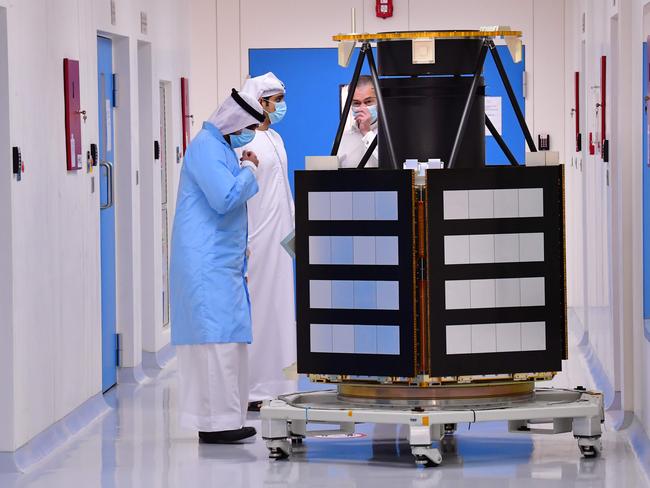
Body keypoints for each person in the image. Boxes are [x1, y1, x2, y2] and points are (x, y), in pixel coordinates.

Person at [169, 88, 266, 444]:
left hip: (218, 261)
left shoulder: (220, 147)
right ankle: (215, 424)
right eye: (249, 127)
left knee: (228, 340)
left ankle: (224, 419)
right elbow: (224, 198)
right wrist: (250, 169)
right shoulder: (207, 148)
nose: (249, 135)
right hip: (205, 262)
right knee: (215, 343)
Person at [238, 72, 297, 411]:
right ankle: (255, 388)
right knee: (258, 312)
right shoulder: (245, 142)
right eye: (276, 101)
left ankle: (280, 383)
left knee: (279, 310)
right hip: (256, 240)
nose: (281, 107)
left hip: (280, 240)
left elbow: (282, 188)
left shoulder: (275, 138)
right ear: (260, 103)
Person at [337, 75, 380, 168]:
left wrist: (367, 132)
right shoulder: (342, 139)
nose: (362, 108)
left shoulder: (391, 137)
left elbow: (394, 165)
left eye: (368, 102)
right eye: (356, 103)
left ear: (379, 101)